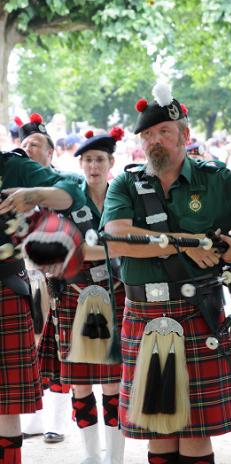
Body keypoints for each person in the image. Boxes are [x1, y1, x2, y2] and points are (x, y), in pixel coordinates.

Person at [101, 82, 231, 464]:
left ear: (185, 135)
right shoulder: (127, 183)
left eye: (164, 132)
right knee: (158, 433)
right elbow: (117, 238)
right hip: (144, 316)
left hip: (197, 314)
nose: (155, 141)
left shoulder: (215, 181)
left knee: (194, 433)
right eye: (148, 135)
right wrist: (186, 241)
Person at [0, 114, 85, 463]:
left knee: (5, 404)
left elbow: (73, 190)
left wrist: (34, 193)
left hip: (3, 287)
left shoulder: (13, 167)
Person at [38, 127, 126, 464]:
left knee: (113, 382)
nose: (93, 166)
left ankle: (114, 456)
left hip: (115, 293)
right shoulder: (69, 197)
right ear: (82, 164)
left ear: (110, 162)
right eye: (87, 160)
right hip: (75, 294)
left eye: (99, 159)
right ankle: (91, 455)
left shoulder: (124, 197)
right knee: (80, 383)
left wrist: (86, 250)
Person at [19, 116, 74, 444]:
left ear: (51, 152)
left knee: (59, 352)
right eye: (23, 145)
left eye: (35, 145)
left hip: (60, 281)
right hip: (25, 280)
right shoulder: (12, 187)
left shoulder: (65, 185)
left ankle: (57, 421)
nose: (27, 149)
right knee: (30, 352)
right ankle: (35, 418)